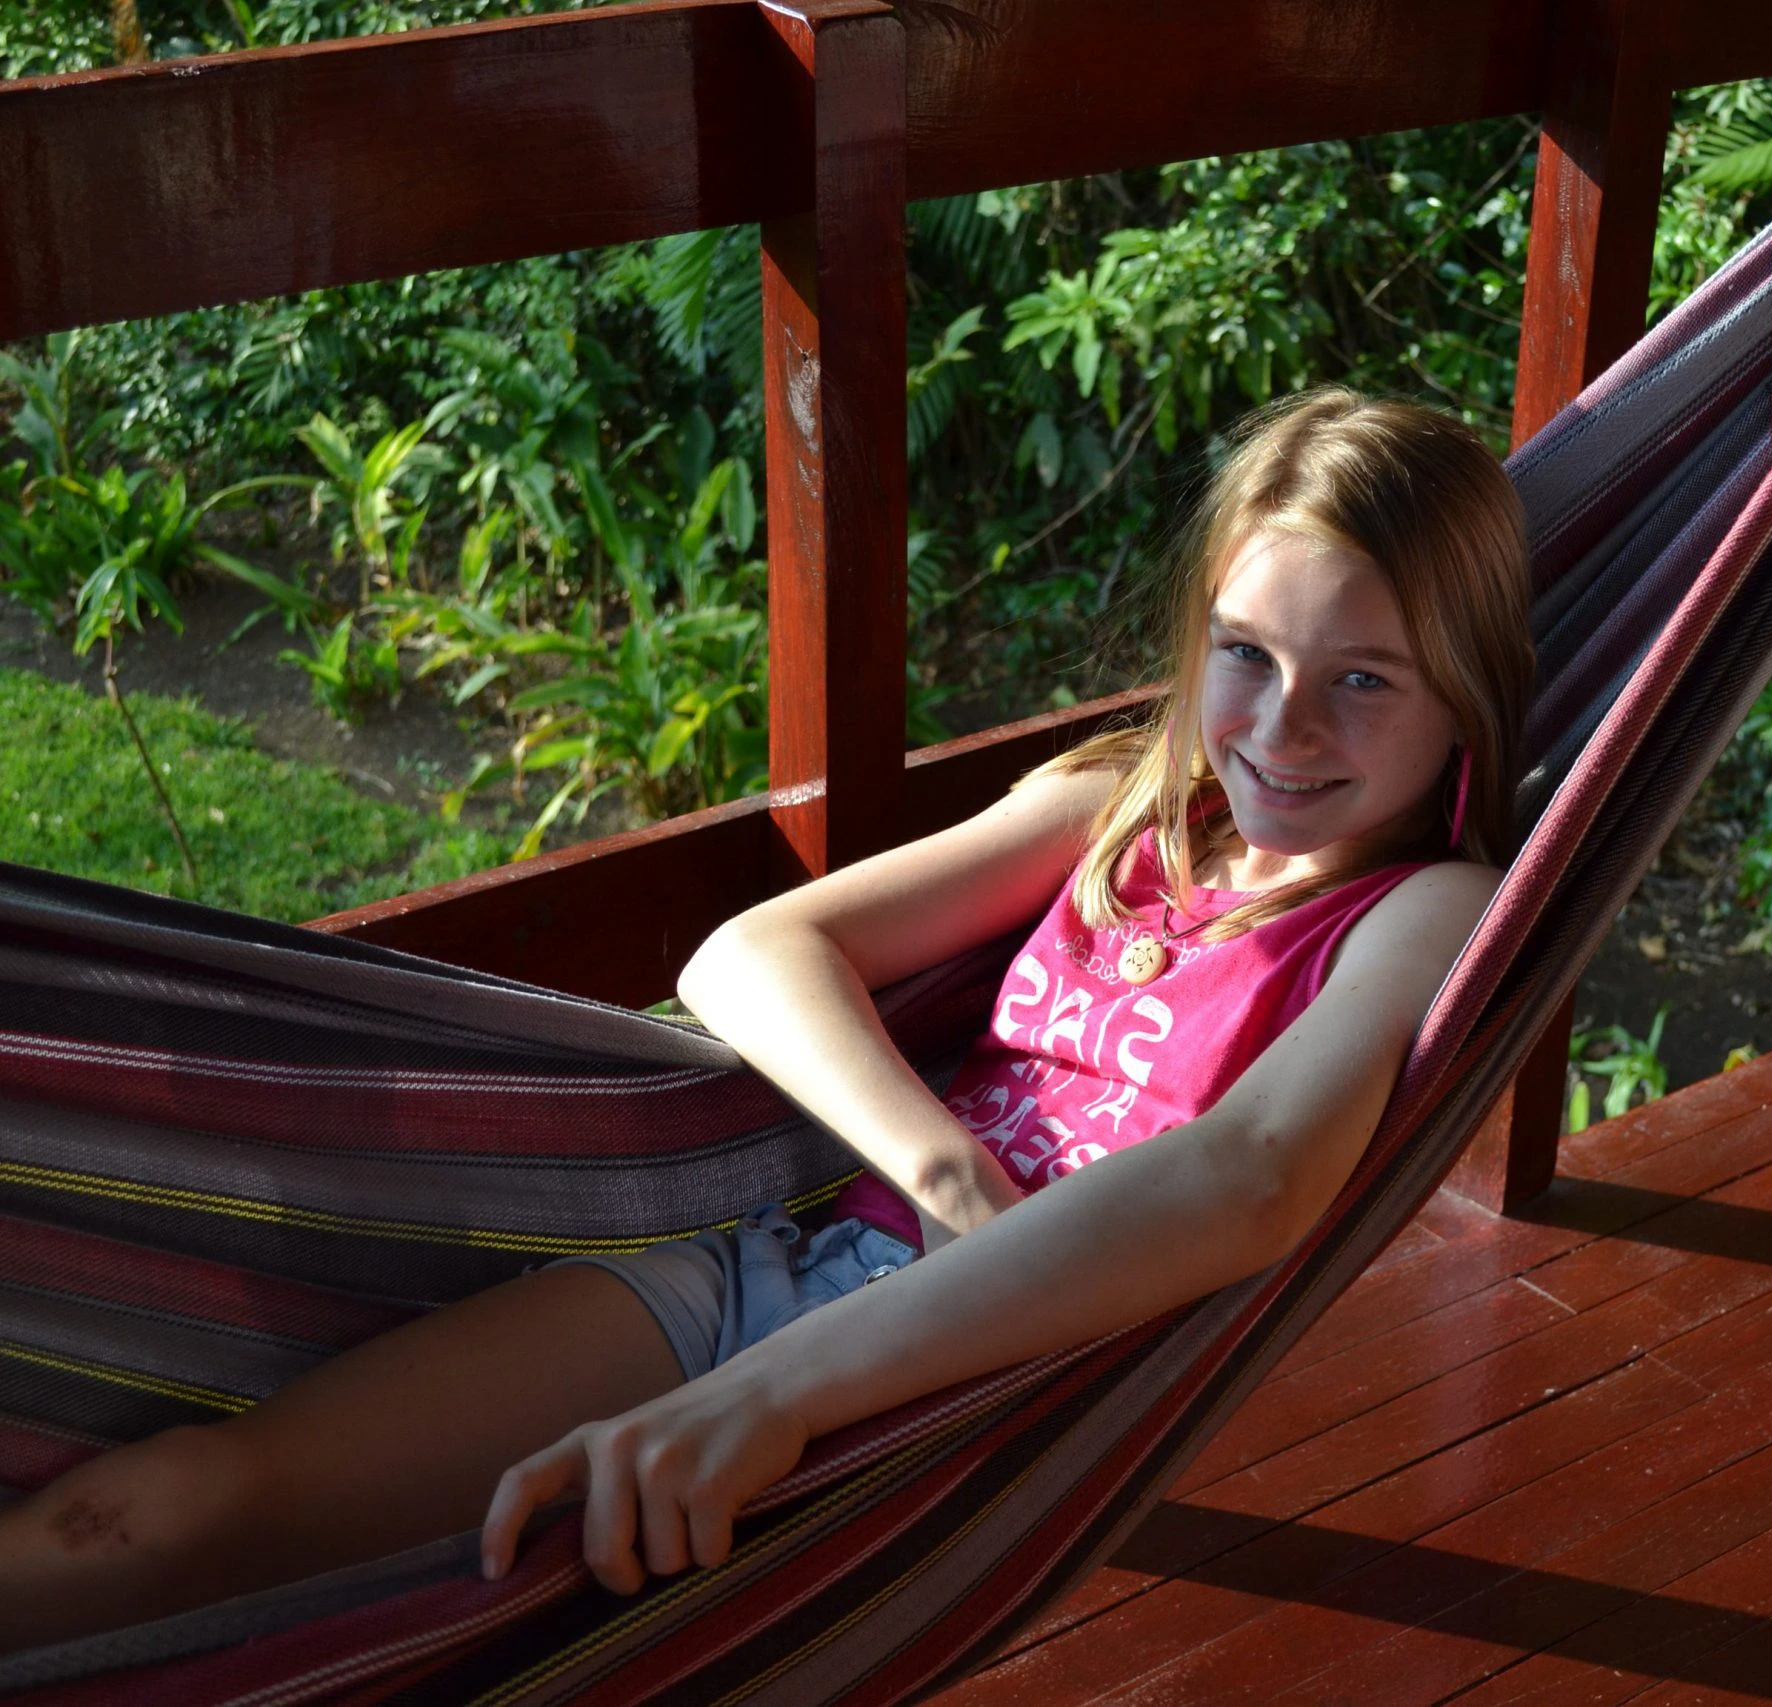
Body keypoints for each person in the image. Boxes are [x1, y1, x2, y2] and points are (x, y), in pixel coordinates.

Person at [0, 386, 1532, 1651]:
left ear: (1463, 692)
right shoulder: (1109, 810)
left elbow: (1249, 1170)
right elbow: (748, 955)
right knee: (152, 1514)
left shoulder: (1422, 912)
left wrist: (776, 1389)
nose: (1283, 725)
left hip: (969, 1402)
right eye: (1245, 655)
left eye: (1365, 680)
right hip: (785, 1263)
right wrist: (947, 1182)